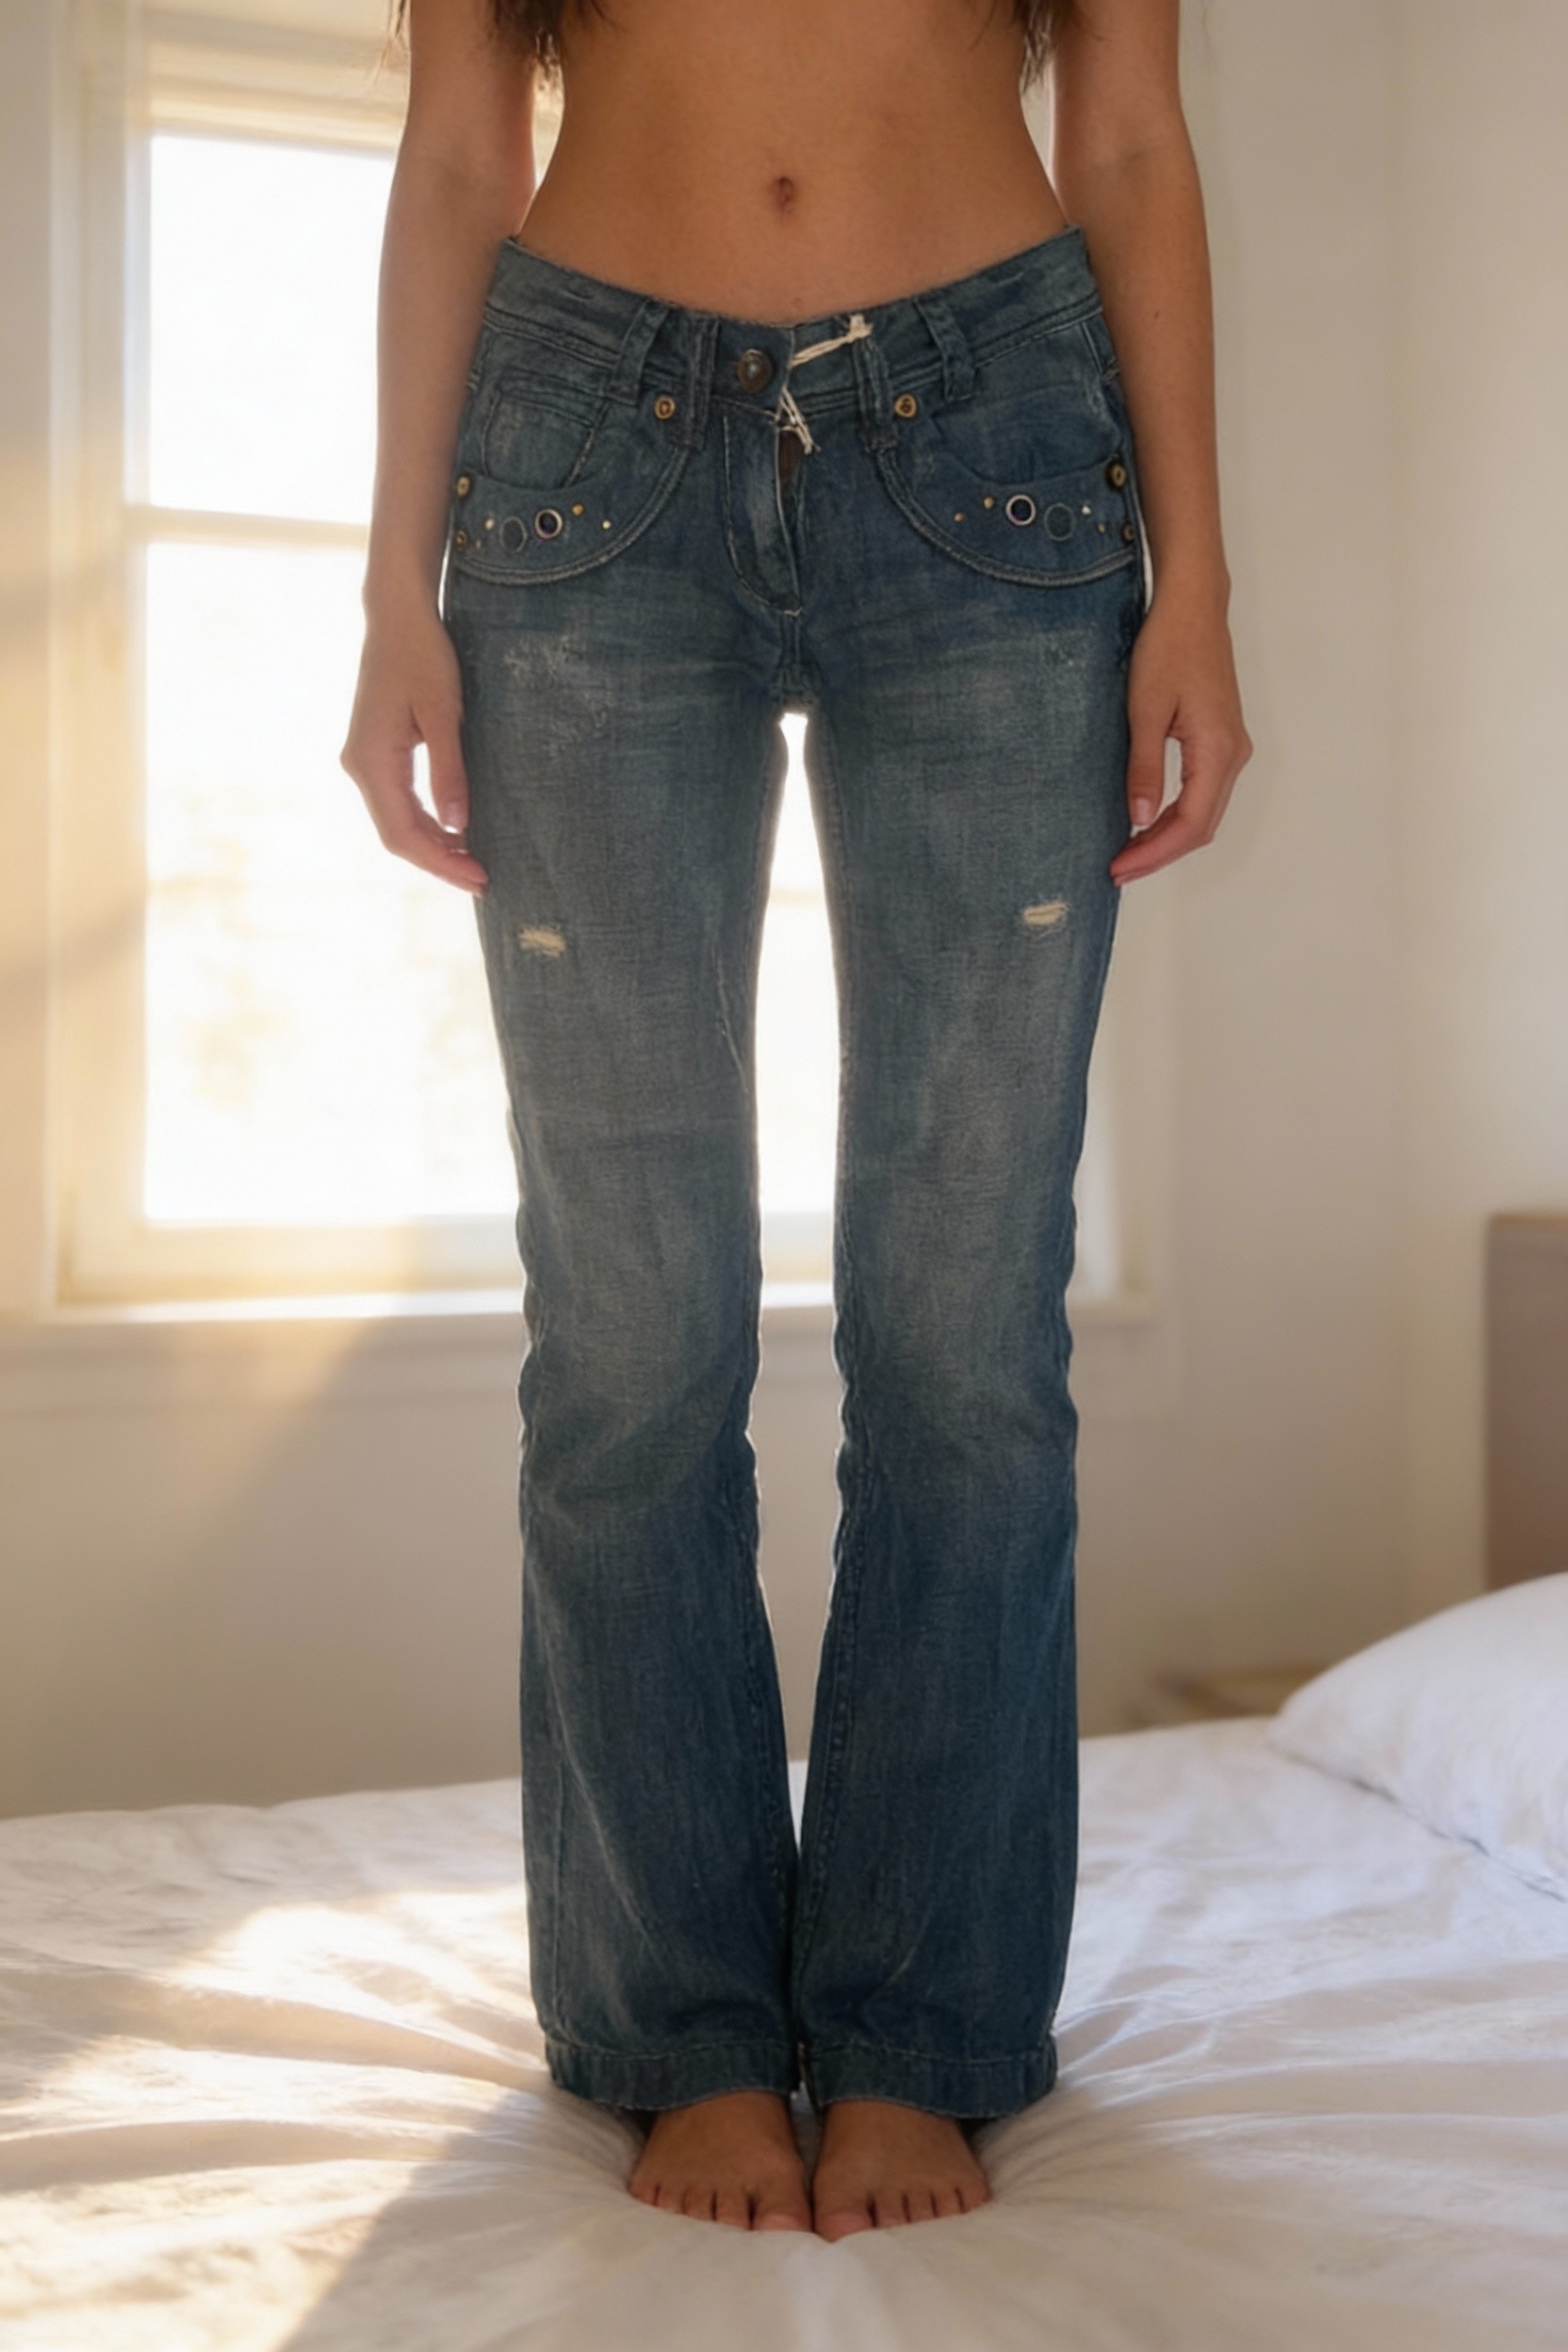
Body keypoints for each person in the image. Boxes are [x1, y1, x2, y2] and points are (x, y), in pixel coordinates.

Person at [342, 0, 1250, 2241]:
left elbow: (1127, 137)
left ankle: (925, 2028)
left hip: (1001, 447)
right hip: (577, 459)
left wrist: (1203, 583)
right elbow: (462, 143)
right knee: (629, 1336)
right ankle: (681, 2030)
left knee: (962, 1332)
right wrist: (388, 589)